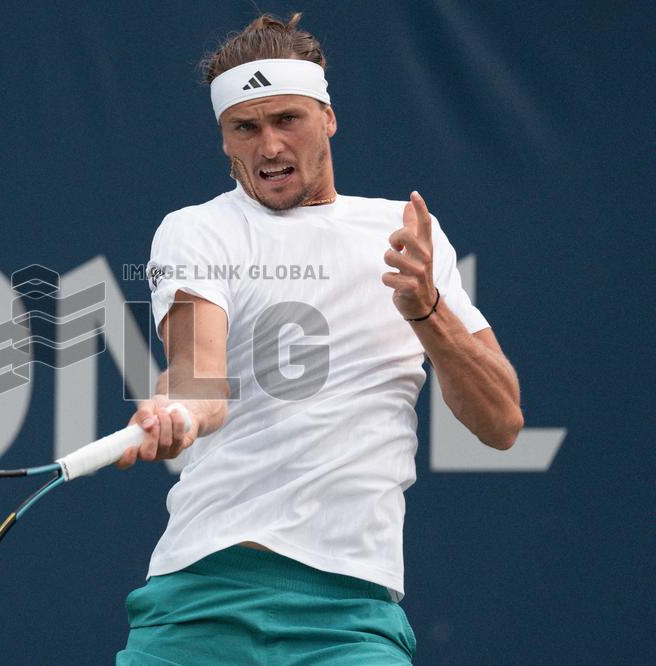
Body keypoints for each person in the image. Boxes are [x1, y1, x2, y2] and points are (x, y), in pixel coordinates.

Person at [115, 13, 523, 665]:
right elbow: (199, 373)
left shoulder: (409, 234)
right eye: (245, 128)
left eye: (287, 120)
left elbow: (502, 422)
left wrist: (428, 311)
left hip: (352, 620)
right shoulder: (199, 231)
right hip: (202, 602)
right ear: (225, 140)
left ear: (327, 116)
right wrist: (182, 409)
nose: (269, 146)